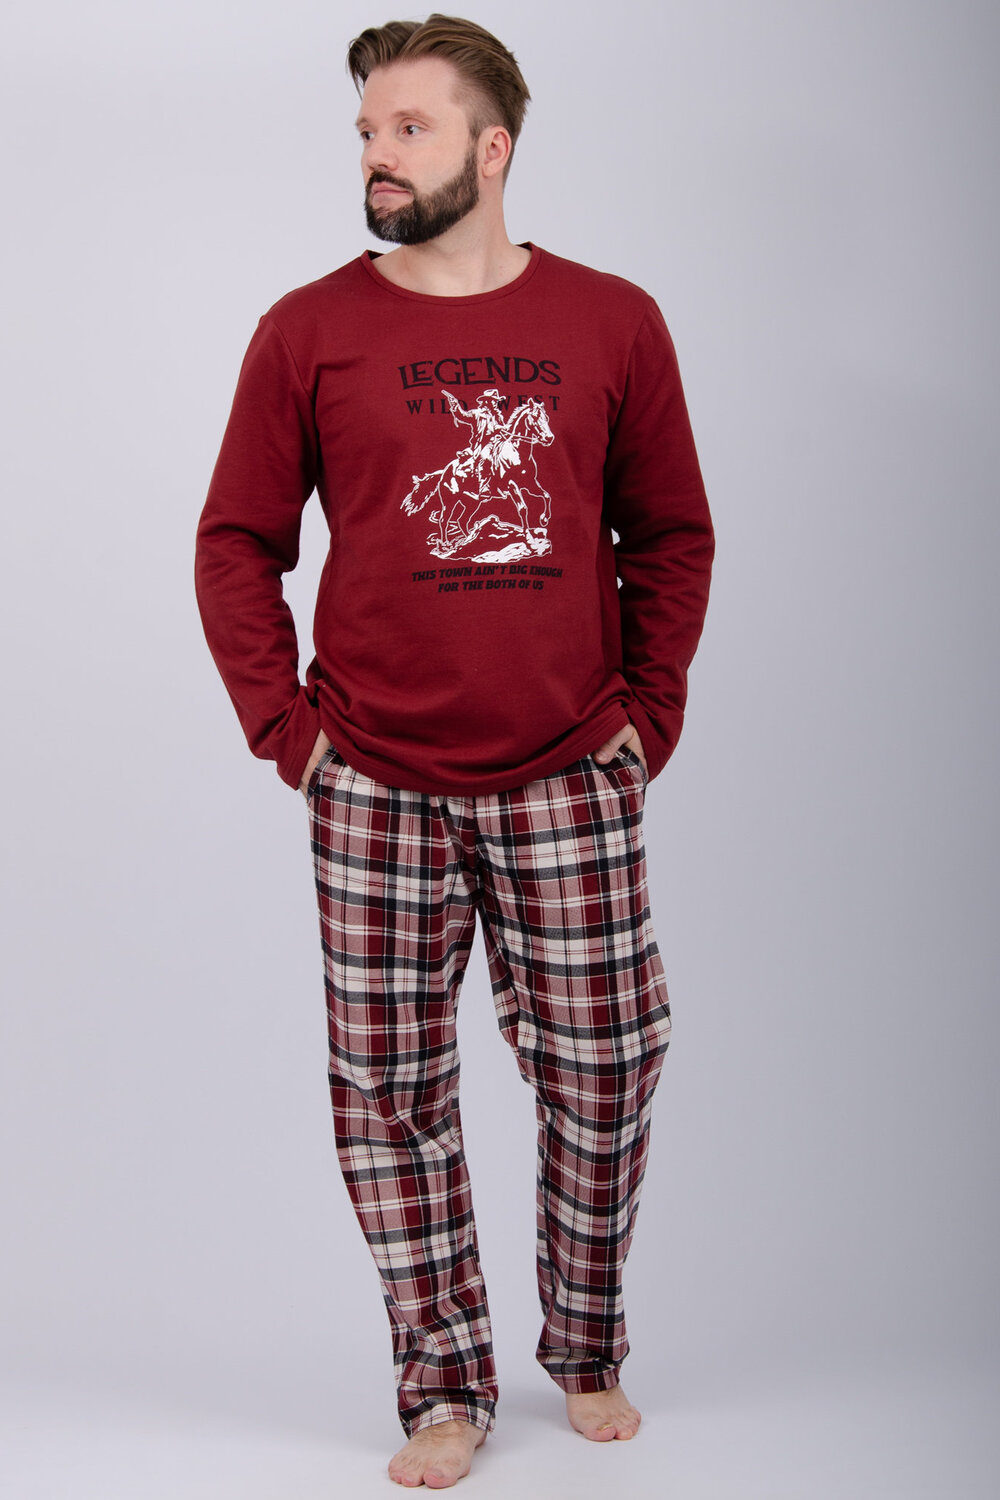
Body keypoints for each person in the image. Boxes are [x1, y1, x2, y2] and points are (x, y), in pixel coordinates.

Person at [194, 12, 714, 1490]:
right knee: (390, 1100)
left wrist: (646, 717)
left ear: (494, 150)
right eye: (368, 131)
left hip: (569, 765)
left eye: (408, 128)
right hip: (371, 778)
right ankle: (443, 1385)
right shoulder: (306, 330)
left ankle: (586, 1345)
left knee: (608, 1065)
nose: (376, 154)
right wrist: (290, 736)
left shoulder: (613, 321)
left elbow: (670, 532)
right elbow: (236, 542)